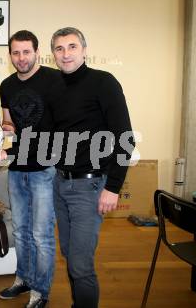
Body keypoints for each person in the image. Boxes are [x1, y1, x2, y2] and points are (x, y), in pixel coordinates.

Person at [50, 27, 134, 308]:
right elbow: (48, 137)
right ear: (53, 55)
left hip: (90, 186)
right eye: (60, 49)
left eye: (72, 47)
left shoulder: (104, 82)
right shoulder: (55, 87)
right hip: (60, 183)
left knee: (81, 265)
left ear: (84, 50)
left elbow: (126, 139)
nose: (66, 53)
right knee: (69, 255)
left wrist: (113, 188)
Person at [0, 30, 61, 308]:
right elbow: (9, 125)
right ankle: (23, 279)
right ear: (10, 55)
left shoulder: (55, 80)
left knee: (42, 234)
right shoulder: (7, 85)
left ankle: (40, 291)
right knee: (21, 231)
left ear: (37, 52)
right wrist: (0, 133)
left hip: (45, 169)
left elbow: (63, 125)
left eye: (26, 52)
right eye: (15, 52)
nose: (21, 58)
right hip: (17, 168)